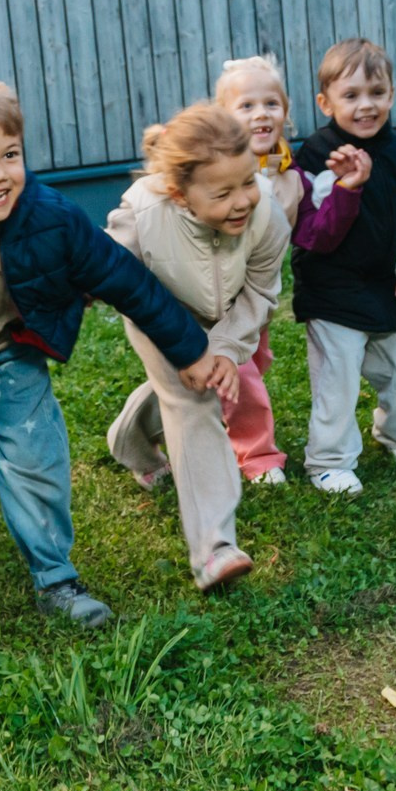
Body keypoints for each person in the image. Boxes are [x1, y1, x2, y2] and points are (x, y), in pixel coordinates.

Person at [0, 73, 229, 629]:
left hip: (9, 361)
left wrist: (191, 351)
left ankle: (56, 580)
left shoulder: (53, 219)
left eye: (10, 154)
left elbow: (127, 280)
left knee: (37, 465)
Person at [105, 103, 289, 590]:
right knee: (194, 399)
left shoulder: (267, 214)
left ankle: (127, 440)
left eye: (248, 180)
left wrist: (226, 348)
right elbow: (106, 272)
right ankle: (214, 549)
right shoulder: (141, 215)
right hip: (157, 316)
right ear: (179, 193)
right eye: (222, 192)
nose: (243, 200)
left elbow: (261, 291)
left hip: (222, 312)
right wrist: (186, 350)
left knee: (184, 389)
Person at [290, 37, 396, 494]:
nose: (365, 105)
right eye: (350, 95)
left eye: (376, 93)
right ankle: (329, 461)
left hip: (384, 284)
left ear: (392, 95)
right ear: (325, 102)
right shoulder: (316, 156)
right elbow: (313, 227)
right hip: (330, 287)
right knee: (337, 378)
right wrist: (340, 181)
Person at [210, 55, 299, 484]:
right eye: (245, 106)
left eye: (271, 104)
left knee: (253, 361)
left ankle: (190, 420)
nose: (260, 113)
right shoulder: (214, 172)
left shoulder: (289, 174)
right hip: (215, 296)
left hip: (259, 294)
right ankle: (258, 455)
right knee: (240, 371)